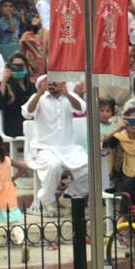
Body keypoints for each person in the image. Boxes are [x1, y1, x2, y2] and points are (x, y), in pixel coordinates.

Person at [23, 76, 89, 216]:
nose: (53, 84)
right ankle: (47, 200)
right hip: (44, 148)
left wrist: (66, 93)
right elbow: (27, 113)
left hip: (68, 148)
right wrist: (40, 92)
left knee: (90, 166)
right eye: (50, 82)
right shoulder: (39, 97)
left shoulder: (68, 96)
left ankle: (68, 196)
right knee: (54, 165)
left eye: (56, 81)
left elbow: (81, 109)